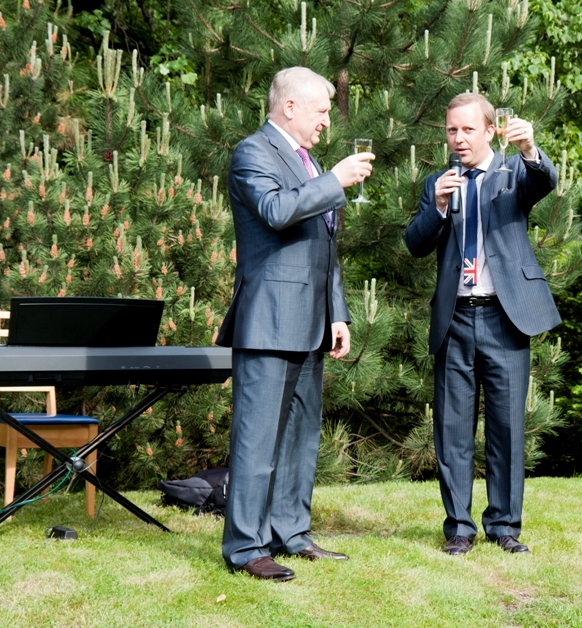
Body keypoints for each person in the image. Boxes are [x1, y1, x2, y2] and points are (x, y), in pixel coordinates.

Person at [216, 67, 374, 581]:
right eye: (321, 111)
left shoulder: (309, 161)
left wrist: (338, 312)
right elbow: (276, 210)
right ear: (289, 108)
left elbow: (324, 246)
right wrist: (334, 180)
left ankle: (291, 533)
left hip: (311, 321)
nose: (327, 121)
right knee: (257, 440)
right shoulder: (253, 153)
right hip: (268, 321)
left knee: (299, 439)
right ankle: (246, 547)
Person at [403, 93, 560, 555]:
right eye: (452, 130)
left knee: (506, 428)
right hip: (454, 318)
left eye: (468, 129)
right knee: (452, 429)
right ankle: (459, 528)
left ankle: (504, 526)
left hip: (504, 316)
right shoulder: (438, 182)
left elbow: (544, 181)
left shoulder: (514, 174)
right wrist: (436, 207)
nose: (458, 138)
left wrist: (529, 148)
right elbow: (415, 244)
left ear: (490, 131)